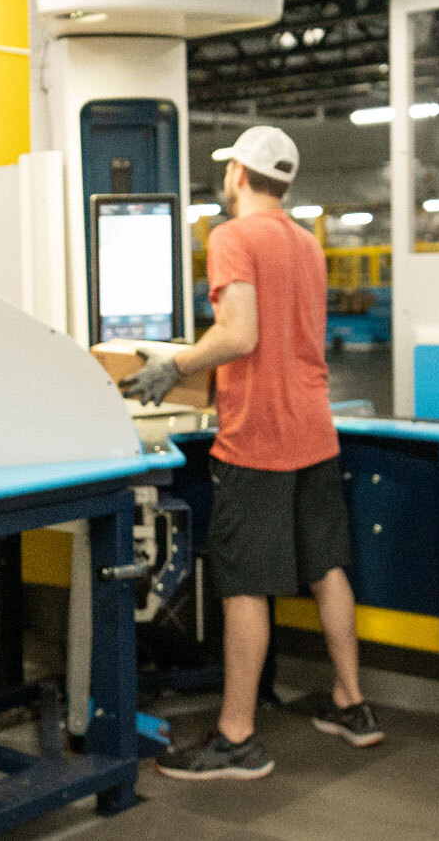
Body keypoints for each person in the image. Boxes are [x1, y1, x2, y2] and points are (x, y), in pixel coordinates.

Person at [121, 125, 382, 781]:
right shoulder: (306, 243)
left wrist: (171, 363)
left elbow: (239, 334)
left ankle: (236, 736)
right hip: (314, 432)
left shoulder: (233, 236)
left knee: (244, 588)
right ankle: (352, 703)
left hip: (258, 439)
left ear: (237, 172)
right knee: (326, 567)